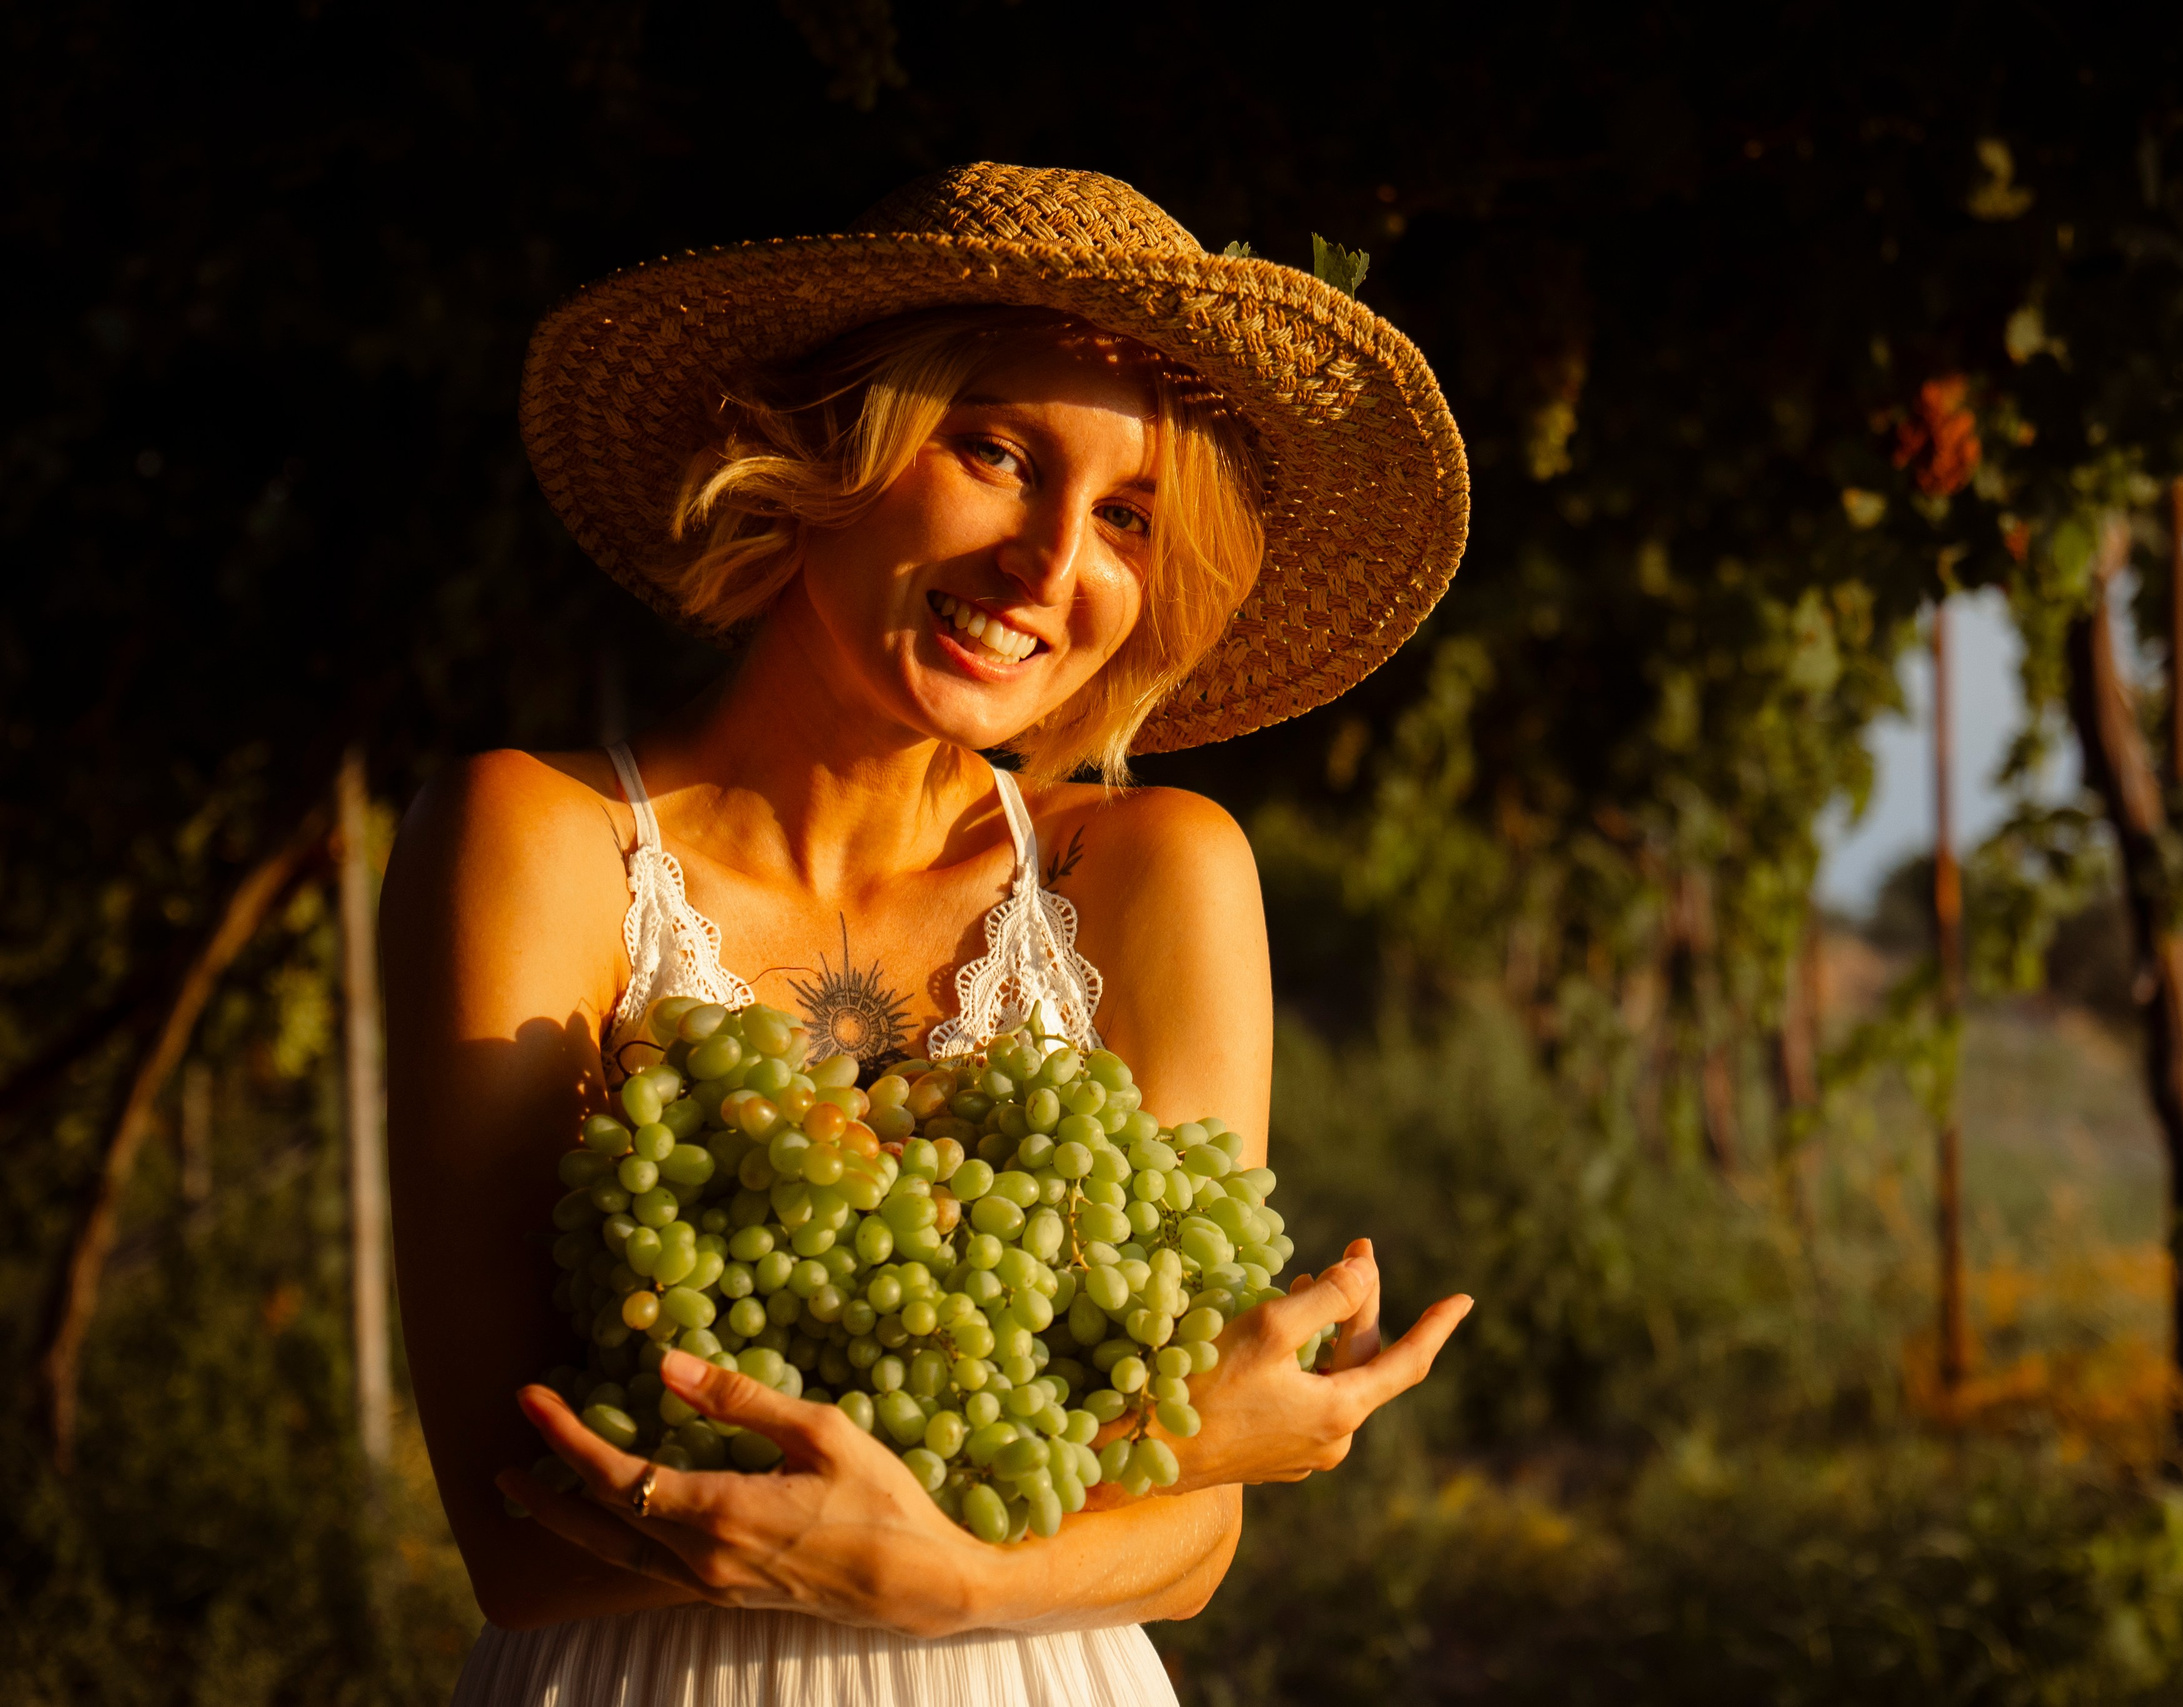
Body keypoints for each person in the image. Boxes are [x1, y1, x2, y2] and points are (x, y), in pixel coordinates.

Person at [381, 163, 1475, 1704]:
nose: (1051, 565)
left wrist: (952, 1578)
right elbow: (523, 1534)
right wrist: (1149, 1442)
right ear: (822, 446)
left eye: (1130, 519)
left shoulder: (1159, 872)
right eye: (997, 453)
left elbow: (1195, 1546)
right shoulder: (529, 840)